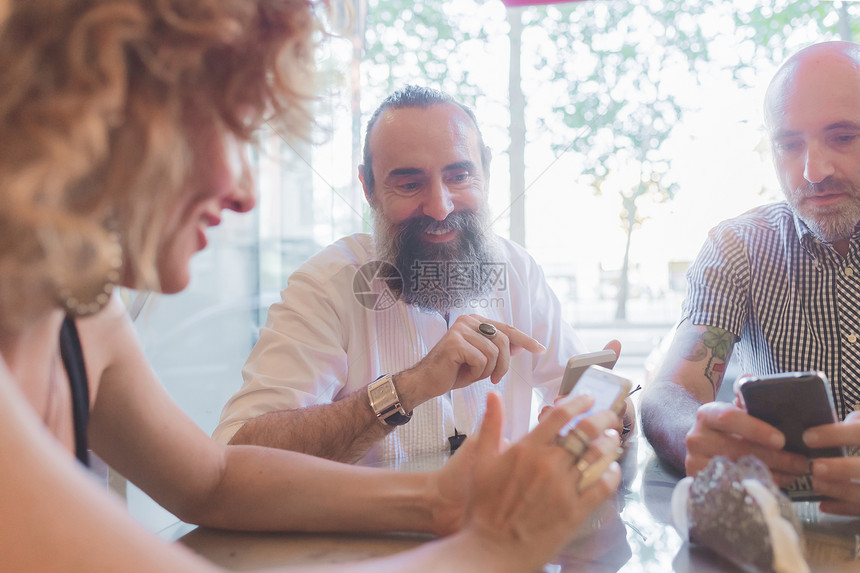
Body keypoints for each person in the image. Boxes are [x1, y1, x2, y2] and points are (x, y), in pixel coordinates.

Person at [0, 1, 625, 571]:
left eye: (459, 175)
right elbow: (241, 446)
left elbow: (214, 480)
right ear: (108, 117)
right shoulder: (328, 281)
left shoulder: (88, 315)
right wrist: (498, 544)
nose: (245, 191)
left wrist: (441, 498)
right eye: (230, 130)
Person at [214, 85, 628, 464]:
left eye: (459, 175)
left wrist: (615, 416)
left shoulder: (518, 270)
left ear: (486, 171)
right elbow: (234, 452)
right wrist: (409, 387)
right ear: (369, 188)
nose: (440, 207)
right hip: (368, 542)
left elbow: (572, 394)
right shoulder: (328, 285)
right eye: (410, 184)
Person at [641, 40, 860, 517]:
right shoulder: (738, 249)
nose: (813, 171)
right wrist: (695, 439)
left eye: (843, 137)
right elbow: (670, 393)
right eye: (789, 145)